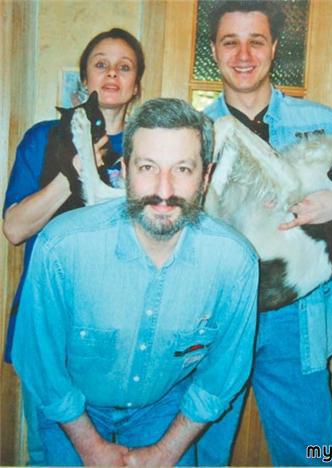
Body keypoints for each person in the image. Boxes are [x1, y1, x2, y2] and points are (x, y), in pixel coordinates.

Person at [197, 1, 332, 466]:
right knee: (199, 452)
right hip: (214, 313)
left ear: (274, 47)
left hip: (297, 318)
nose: (244, 55)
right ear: (214, 51)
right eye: (230, 42)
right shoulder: (194, 130)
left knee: (312, 456)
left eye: (256, 41)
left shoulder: (327, 121)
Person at [12, 97, 259, 466]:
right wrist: (90, 446)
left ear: (206, 177)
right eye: (147, 167)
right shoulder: (62, 247)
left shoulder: (235, 262)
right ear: (125, 170)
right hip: (71, 402)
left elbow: (220, 378)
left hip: (164, 407)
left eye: (183, 169)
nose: (164, 189)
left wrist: (166, 451)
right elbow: (41, 364)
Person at [2, 28, 145, 465]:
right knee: (51, 454)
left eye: (124, 67)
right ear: (85, 79)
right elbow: (14, 229)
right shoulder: (44, 138)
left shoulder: (149, 147)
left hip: (124, 329)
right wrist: (74, 174)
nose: (112, 74)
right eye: (101, 64)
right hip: (50, 325)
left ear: (137, 85)